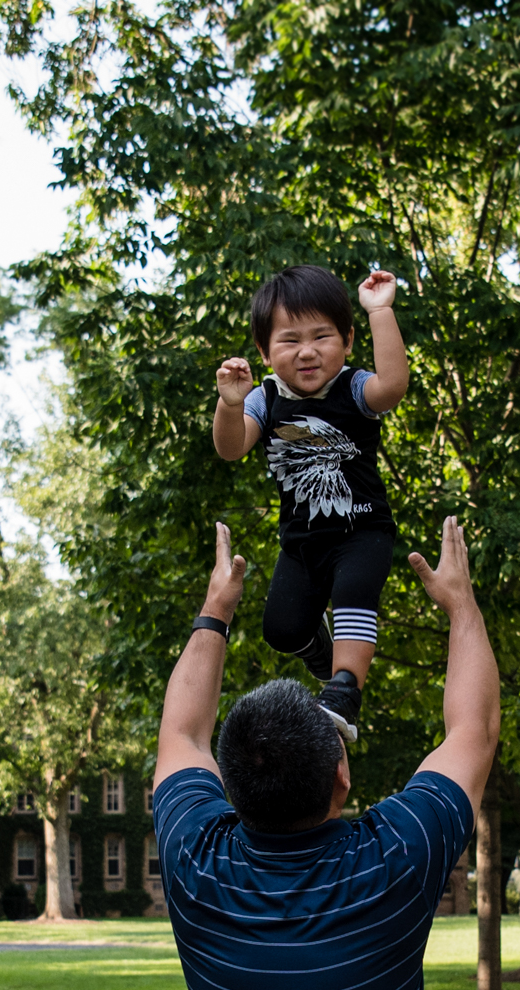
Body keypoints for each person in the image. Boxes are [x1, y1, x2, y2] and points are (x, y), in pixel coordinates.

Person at [153, 517, 499, 990]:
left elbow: (182, 734)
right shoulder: (398, 859)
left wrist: (217, 608)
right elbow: (474, 731)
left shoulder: (194, 861)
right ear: (341, 774)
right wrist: (461, 605)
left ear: (231, 786)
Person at [211, 264, 409, 742]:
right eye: (289, 340)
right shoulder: (266, 399)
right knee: (281, 630)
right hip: (301, 544)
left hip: (362, 531)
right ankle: (322, 655)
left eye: (322, 337)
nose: (306, 351)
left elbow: (393, 386)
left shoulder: (354, 387)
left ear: (347, 340)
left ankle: (345, 690)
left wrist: (381, 312)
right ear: (263, 350)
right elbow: (231, 447)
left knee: (355, 596)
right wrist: (230, 403)